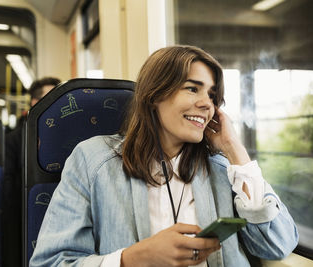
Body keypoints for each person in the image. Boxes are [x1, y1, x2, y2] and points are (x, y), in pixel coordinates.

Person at [29, 46, 298, 267]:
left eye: (212, 95)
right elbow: (50, 263)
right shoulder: (92, 160)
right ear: (154, 95)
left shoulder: (222, 167)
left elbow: (277, 244)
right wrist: (132, 259)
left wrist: (234, 149)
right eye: (193, 88)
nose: (207, 103)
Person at [3, 77, 60, 267]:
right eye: (51, 97)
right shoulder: (13, 141)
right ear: (35, 103)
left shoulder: (69, 138)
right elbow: (9, 194)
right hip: (23, 220)